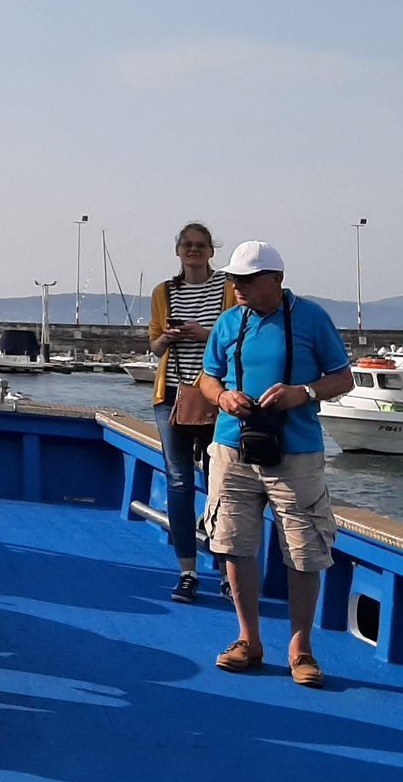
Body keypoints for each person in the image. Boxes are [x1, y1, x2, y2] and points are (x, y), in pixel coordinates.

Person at [195, 240, 352, 686]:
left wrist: (303, 393)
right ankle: (248, 639)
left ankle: (300, 647)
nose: (237, 286)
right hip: (232, 449)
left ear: (276, 281)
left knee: (304, 551)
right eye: (233, 279)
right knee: (235, 544)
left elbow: (343, 376)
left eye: (246, 279)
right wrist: (223, 396)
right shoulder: (229, 322)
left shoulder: (312, 318)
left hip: (296, 452)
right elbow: (208, 378)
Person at [146, 224, 239, 603]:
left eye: (201, 245)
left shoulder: (230, 288)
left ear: (211, 251)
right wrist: (167, 338)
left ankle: (226, 570)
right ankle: (187, 571)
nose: (194, 251)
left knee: (222, 485)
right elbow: (153, 346)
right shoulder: (163, 293)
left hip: (215, 397)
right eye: (188, 245)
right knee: (180, 485)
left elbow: (238, 335)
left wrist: (205, 334)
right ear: (178, 250)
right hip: (171, 396)